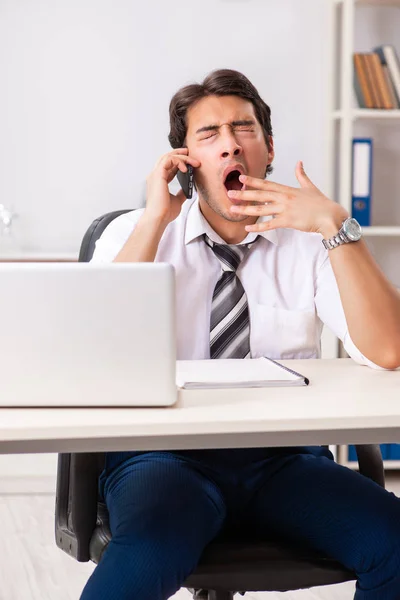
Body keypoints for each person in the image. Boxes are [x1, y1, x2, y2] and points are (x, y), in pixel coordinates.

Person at [81, 69, 400, 600]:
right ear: (184, 162)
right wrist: (156, 219)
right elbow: (92, 348)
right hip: (161, 458)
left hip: (283, 459)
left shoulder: (312, 242)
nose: (230, 144)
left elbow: (389, 348)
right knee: (145, 559)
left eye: (244, 129)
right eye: (209, 135)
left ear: (268, 147)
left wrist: (336, 226)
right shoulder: (135, 232)